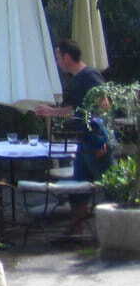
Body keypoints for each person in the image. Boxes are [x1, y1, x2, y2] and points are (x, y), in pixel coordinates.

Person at [36, 39, 111, 235]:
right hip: (84, 140)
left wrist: (102, 139)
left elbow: (105, 105)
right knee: (78, 185)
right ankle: (77, 228)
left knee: (109, 184)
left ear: (67, 57)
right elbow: (71, 109)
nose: (58, 61)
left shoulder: (90, 75)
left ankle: (118, 227)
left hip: (95, 138)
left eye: (58, 56)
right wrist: (50, 111)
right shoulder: (75, 80)